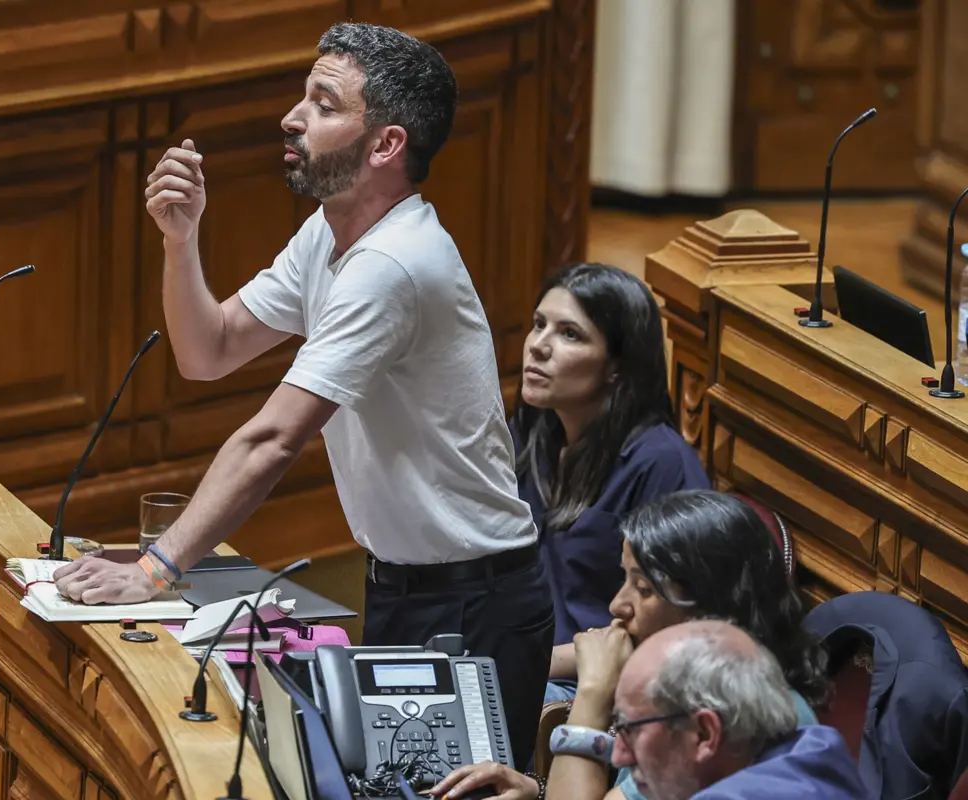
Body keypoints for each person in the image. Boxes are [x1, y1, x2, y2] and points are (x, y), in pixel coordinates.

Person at [52, 21, 553, 769]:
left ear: (385, 144)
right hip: (405, 588)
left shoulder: (393, 264)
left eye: (322, 103)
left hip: (473, 603)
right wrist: (180, 240)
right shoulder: (331, 234)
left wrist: (154, 572)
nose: (292, 117)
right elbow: (209, 350)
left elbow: (273, 438)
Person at [431, 489, 829, 800]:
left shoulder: (726, 717)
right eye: (625, 580)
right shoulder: (696, 686)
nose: (617, 606)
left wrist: (593, 692)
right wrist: (536, 790)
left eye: (643, 589)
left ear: (711, 611)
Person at [509, 262, 709, 705]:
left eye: (569, 334)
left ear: (617, 367)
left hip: (599, 685)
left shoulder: (661, 464)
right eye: (539, 324)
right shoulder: (532, 429)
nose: (539, 346)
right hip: (523, 657)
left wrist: (520, 663)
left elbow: (665, 629)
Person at [434, 621, 864, 800]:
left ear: (705, 733)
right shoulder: (810, 745)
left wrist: (594, 692)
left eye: (631, 730)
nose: (616, 754)